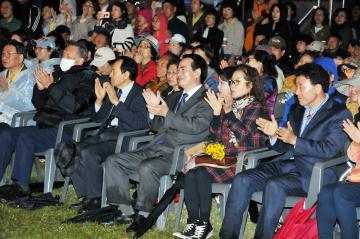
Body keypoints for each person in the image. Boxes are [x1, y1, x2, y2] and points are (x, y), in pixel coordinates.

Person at [219, 63, 352, 239]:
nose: (296, 92)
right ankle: (228, 236)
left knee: (275, 185)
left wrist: (295, 140)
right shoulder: (297, 110)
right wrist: (274, 135)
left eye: (301, 86)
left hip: (312, 173)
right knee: (242, 179)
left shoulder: (338, 114)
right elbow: (284, 146)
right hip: (286, 165)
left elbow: (330, 150)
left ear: (318, 88)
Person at [101, 54, 213, 233]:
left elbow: (197, 127)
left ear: (197, 72)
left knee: (148, 167)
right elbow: (155, 125)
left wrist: (166, 113)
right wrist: (154, 112)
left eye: (183, 69)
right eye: (178, 70)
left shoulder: (206, 99)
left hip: (179, 153)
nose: (178, 73)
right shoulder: (176, 96)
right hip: (156, 147)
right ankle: (124, 210)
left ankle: (143, 214)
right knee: (114, 161)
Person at [174, 64, 269, 239]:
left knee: (200, 173)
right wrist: (218, 114)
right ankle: (195, 221)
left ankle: (203, 224)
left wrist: (227, 112)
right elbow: (215, 139)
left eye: (237, 82)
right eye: (231, 81)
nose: (232, 85)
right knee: (192, 173)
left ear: (250, 85)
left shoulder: (255, 107)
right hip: (224, 158)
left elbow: (245, 138)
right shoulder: (229, 105)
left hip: (244, 162)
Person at [0, 41, 97, 200]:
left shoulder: (88, 78)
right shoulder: (58, 74)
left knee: (25, 138)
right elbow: (40, 105)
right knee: (6, 134)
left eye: (68, 55)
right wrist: (39, 88)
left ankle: (22, 186)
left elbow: (75, 106)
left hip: (65, 129)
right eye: (63, 54)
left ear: (81, 60)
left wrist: (51, 86)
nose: (63, 58)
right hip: (45, 124)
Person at [61, 56, 148, 213]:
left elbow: (141, 125)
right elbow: (99, 119)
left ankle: (96, 199)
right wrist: (100, 101)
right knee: (67, 149)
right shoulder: (114, 91)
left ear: (126, 74)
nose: (110, 75)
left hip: (124, 140)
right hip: (105, 135)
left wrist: (117, 103)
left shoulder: (140, 94)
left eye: (114, 71)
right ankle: (89, 193)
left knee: (88, 152)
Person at [317, 115, 360, 239]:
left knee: (341, 193)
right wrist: (357, 143)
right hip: (355, 182)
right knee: (326, 192)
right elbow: (353, 157)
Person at [0, 40, 35, 126]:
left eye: (9, 54)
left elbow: (27, 107)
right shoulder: (2, 74)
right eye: (3, 54)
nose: (4, 57)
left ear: (20, 58)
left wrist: (6, 90)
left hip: (18, 122)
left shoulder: (31, 77)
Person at [247, 46, 278, 115]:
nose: (247, 63)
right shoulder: (255, 77)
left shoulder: (268, 81)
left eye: (250, 60)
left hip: (262, 117)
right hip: (253, 112)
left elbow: (258, 100)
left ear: (260, 63)